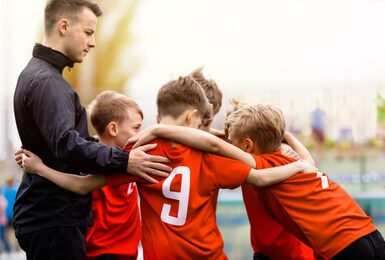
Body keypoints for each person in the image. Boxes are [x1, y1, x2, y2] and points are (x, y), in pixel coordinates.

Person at [20, 76, 317, 259]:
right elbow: (258, 176)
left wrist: (41, 169)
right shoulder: (213, 156)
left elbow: (82, 185)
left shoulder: (138, 154)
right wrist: (298, 160)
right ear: (193, 118)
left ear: (159, 113)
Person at [12, 1, 170, 259]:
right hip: (54, 220)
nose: (93, 42)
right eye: (88, 32)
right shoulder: (48, 82)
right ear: (64, 26)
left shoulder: (40, 75)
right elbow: (67, 145)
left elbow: (64, 143)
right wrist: (126, 160)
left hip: (50, 218)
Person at [224, 102, 385, 259]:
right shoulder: (299, 161)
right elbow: (309, 162)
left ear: (247, 146)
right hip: (370, 235)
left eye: (230, 142)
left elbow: (216, 146)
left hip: (345, 247)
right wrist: (285, 135)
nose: (227, 144)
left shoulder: (264, 164)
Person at [84, 90, 142, 259]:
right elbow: (79, 185)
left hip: (126, 252)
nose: (141, 134)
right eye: (136, 128)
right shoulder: (95, 162)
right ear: (113, 128)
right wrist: (39, 167)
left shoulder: (133, 155)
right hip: (104, 253)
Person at [2, 174, 19, 252]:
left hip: (16, 214)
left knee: (17, 232)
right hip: (6, 215)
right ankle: (10, 248)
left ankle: (16, 247)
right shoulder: (4, 189)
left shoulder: (16, 189)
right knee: (7, 231)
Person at [375, 90, 385, 154]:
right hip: (379, 120)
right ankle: (382, 151)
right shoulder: (376, 100)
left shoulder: (384, 101)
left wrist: (381, 105)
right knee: (379, 135)